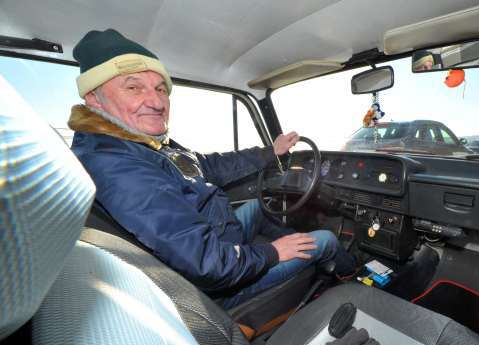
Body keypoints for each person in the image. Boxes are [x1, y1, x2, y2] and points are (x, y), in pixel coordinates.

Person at [69, 29, 356, 308]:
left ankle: (297, 259)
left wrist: (272, 151)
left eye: (160, 89)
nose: (156, 102)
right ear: (94, 98)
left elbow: (207, 166)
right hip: (215, 288)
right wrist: (273, 253)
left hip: (219, 241)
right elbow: (208, 265)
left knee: (259, 207)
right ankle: (353, 278)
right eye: (133, 87)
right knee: (326, 240)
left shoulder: (142, 144)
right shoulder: (116, 164)